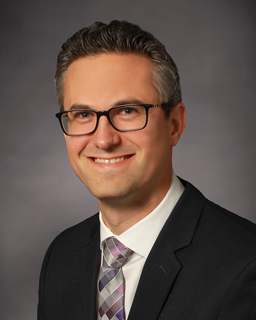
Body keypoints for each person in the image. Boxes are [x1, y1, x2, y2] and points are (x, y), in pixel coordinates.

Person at [38, 20, 256, 320]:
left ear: (174, 125)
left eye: (127, 110)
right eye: (83, 114)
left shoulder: (245, 263)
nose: (104, 139)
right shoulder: (62, 256)